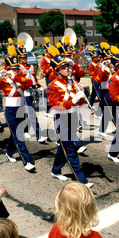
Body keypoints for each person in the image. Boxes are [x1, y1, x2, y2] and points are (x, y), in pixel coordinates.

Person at [46, 45, 93, 188]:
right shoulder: (53, 85)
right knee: (71, 150)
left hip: (73, 117)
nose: (68, 69)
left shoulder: (73, 82)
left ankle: (55, 170)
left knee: (64, 147)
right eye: (64, 67)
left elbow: (78, 103)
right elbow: (56, 105)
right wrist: (73, 100)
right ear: (57, 70)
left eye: (68, 66)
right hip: (62, 119)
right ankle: (82, 181)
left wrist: (81, 96)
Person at [0, 46, 36, 172]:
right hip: (11, 111)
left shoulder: (21, 77)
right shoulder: (4, 80)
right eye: (13, 69)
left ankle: (9, 152)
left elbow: (29, 83)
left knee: (14, 134)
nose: (17, 70)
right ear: (8, 68)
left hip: (21, 109)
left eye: (17, 68)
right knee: (19, 135)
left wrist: (16, 76)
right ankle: (27, 161)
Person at [17, 39, 47, 143]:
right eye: (22, 57)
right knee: (31, 113)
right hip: (23, 92)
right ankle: (39, 135)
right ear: (19, 58)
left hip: (30, 92)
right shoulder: (18, 68)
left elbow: (34, 78)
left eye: (25, 56)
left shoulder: (31, 67)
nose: (25, 58)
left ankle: (25, 130)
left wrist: (36, 84)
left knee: (28, 112)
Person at [93, 42, 115, 138]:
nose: (110, 60)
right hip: (106, 91)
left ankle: (102, 129)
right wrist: (103, 68)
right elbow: (97, 79)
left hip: (114, 90)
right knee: (110, 111)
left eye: (111, 58)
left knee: (109, 111)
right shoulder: (100, 67)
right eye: (108, 58)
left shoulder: (113, 67)